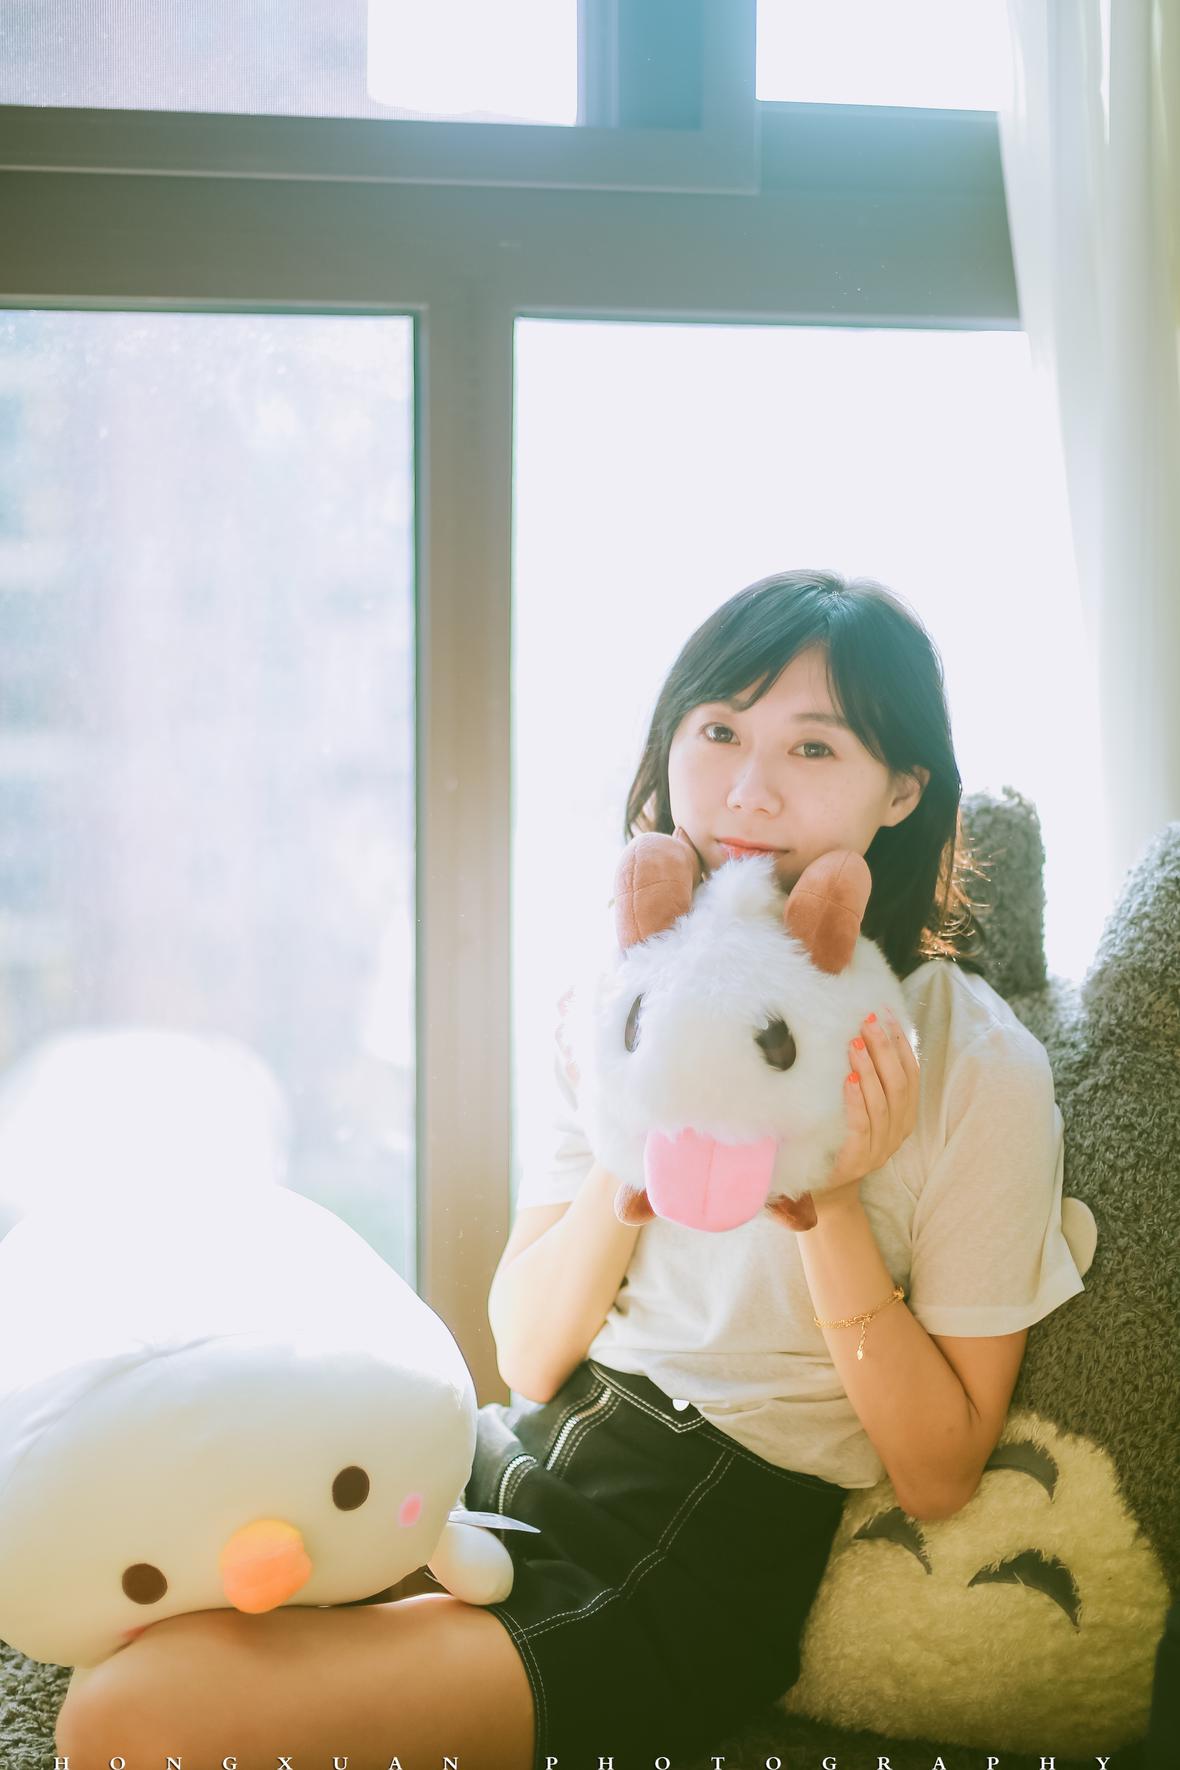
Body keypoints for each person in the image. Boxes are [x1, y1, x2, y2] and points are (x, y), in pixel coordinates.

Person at [56, 568, 1086, 1770]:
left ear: (902, 788)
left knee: (130, 1721)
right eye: (719, 731)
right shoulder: (626, 991)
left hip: (690, 1544)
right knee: (110, 1594)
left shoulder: (970, 1065)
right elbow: (532, 1352)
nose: (749, 789)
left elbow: (938, 1470)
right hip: (520, 1446)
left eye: (814, 747)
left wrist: (828, 1199)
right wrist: (631, 1125)